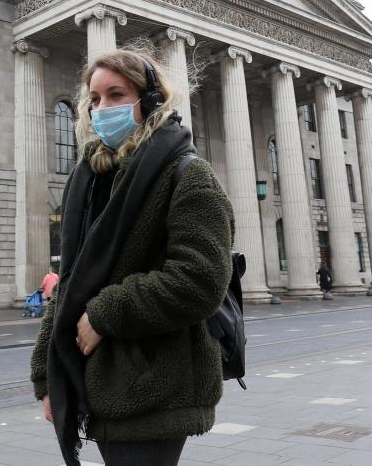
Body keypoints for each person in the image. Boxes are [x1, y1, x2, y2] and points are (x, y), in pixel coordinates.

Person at [30, 48, 233, 466]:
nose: (103, 108)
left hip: (155, 382)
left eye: (117, 94)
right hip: (101, 379)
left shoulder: (189, 175)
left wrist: (107, 313)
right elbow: (71, 281)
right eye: (96, 98)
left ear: (151, 100)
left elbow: (201, 279)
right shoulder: (92, 180)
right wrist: (47, 371)